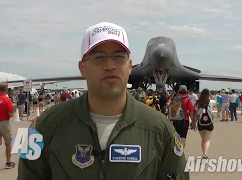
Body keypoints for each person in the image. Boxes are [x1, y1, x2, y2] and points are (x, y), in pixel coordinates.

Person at [17, 22, 189, 180]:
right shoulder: (44, 127)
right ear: (82, 68)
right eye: (99, 56)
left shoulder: (160, 129)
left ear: (129, 66)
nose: (110, 65)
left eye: (119, 56)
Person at [191, 88, 216, 159]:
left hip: (200, 123)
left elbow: (195, 115)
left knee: (203, 139)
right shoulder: (210, 102)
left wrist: (194, 123)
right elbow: (216, 101)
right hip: (209, 123)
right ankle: (205, 153)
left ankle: (204, 152)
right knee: (207, 139)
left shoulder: (197, 103)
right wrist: (211, 95)